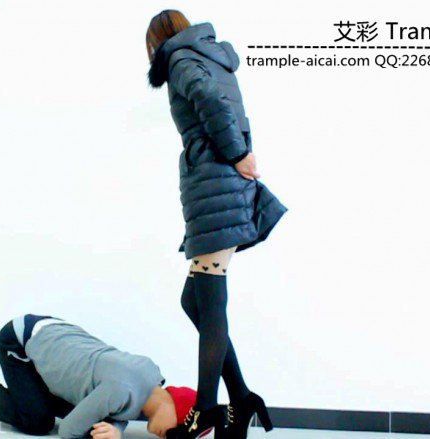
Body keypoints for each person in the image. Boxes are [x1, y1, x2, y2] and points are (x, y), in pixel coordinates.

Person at [146, 10, 287, 439]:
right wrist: (237, 153)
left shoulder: (180, 60)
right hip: (220, 187)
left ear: (157, 42)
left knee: (209, 303)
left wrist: (236, 153)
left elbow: (209, 100)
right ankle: (241, 398)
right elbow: (221, 103)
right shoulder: (209, 56)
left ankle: (206, 410)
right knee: (195, 300)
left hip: (215, 188)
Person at [0, 314, 199, 439]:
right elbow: (68, 431)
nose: (168, 437)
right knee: (38, 421)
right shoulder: (121, 389)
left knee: (93, 419)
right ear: (175, 406)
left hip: (57, 333)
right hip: (19, 340)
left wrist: (116, 429)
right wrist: (111, 429)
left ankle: (34, 395)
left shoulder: (150, 375)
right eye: (177, 429)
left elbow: (118, 408)